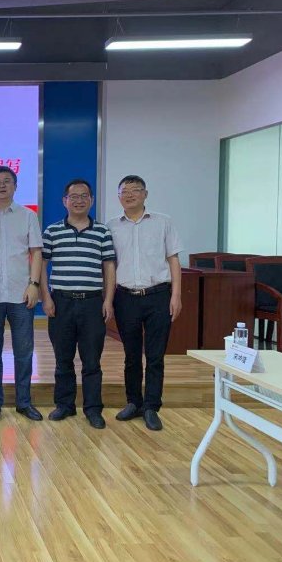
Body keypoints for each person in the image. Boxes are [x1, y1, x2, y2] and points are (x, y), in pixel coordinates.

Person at [107, 175, 183, 431]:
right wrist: (109, 298)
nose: (129, 195)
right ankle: (133, 402)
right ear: (119, 196)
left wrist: (176, 295)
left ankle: (151, 407)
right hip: (125, 297)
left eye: (135, 190)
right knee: (131, 355)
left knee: (155, 356)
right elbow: (110, 266)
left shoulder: (163, 222)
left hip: (158, 295)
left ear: (145, 194)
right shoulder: (111, 226)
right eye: (124, 191)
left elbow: (173, 260)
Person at [40, 179, 116, 429]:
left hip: (92, 303)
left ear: (91, 200)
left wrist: (108, 300)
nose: (79, 200)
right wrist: (46, 298)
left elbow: (109, 267)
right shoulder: (52, 231)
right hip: (61, 303)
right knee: (63, 359)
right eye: (74, 196)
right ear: (65, 201)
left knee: (92, 361)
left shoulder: (102, 232)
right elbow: (41, 265)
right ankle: (64, 405)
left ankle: (93, 409)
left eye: (84, 196)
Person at [0, 165, 43, 422]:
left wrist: (34, 284)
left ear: (15, 186)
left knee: (23, 352)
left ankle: (24, 402)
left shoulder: (28, 216)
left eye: (7, 181)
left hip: (21, 294)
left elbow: (36, 252)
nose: (2, 185)